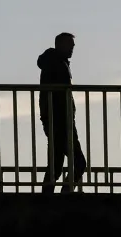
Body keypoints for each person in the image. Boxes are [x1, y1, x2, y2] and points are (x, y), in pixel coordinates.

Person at [37, 32, 87, 194]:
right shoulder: (56, 63)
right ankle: (64, 193)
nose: (72, 48)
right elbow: (56, 94)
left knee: (56, 164)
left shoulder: (56, 62)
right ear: (60, 45)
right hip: (60, 120)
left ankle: (50, 195)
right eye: (70, 44)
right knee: (78, 162)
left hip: (56, 119)